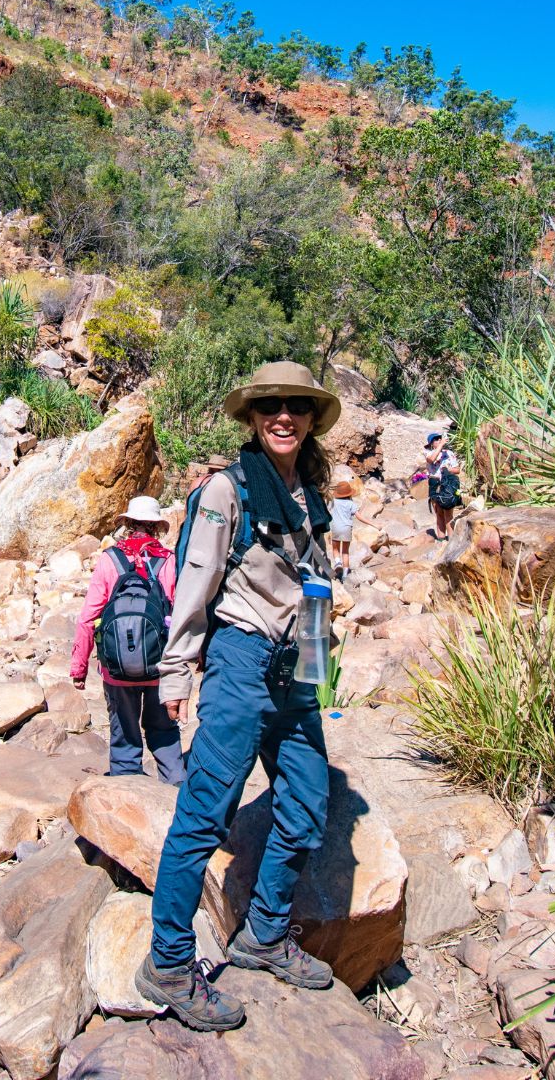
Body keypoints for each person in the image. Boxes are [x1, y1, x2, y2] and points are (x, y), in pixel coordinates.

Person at [135, 361, 341, 1032]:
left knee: (308, 799)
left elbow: (315, 577)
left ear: (311, 419)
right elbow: (194, 584)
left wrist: (319, 655)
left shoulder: (310, 489)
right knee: (206, 811)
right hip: (240, 653)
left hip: (295, 662)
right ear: (254, 417)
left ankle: (263, 934)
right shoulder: (227, 491)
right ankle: (168, 961)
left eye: (297, 407)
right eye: (271, 406)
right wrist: (176, 673)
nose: (284, 416)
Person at [69, 495, 185, 786]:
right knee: (164, 731)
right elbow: (181, 614)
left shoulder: (110, 560)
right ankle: (176, 792)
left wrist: (78, 668)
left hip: (117, 669)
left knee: (124, 734)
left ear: (128, 524)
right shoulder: (169, 561)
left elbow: (87, 618)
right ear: (157, 527)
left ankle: (126, 790)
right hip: (160, 665)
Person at [424, 432, 461, 541]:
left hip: (448, 484)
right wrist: (440, 446)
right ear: (431, 443)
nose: (439, 440)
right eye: (436, 439)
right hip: (435, 483)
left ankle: (451, 540)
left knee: (448, 513)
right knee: (438, 512)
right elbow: (431, 460)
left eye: (440, 438)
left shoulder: (449, 453)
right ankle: (440, 539)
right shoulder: (428, 452)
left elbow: (457, 470)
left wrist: (448, 470)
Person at [328, 480, 358, 576]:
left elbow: (328, 511)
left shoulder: (333, 501)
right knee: (345, 552)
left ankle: (338, 563)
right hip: (347, 528)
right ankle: (345, 575)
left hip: (336, 527)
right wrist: (372, 524)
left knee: (335, 548)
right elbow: (358, 516)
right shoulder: (351, 504)